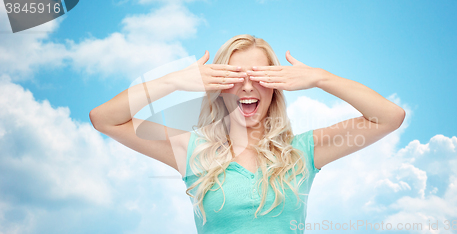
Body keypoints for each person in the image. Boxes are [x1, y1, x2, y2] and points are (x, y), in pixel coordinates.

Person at [89, 34, 405, 233]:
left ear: (277, 85)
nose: (248, 85)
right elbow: (104, 119)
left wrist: (321, 78)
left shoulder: (303, 151)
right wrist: (173, 82)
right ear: (216, 86)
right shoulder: (191, 150)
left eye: (260, 75)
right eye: (234, 75)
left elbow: (389, 117)